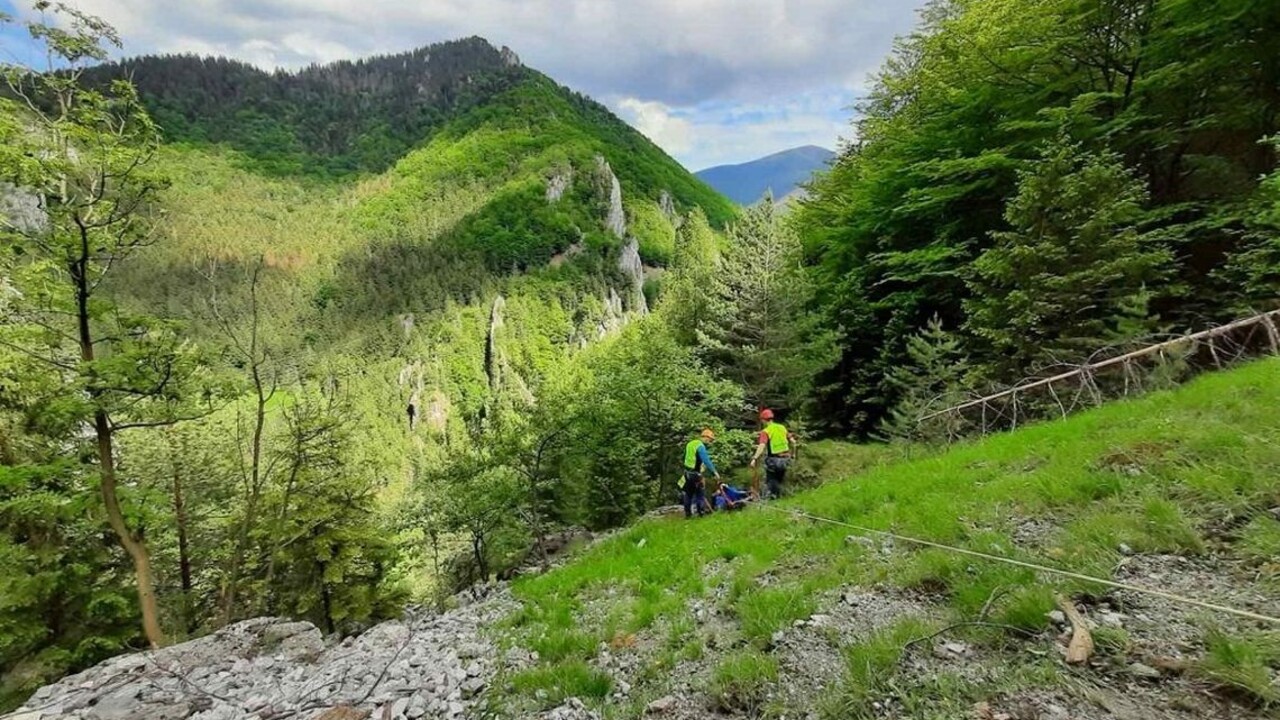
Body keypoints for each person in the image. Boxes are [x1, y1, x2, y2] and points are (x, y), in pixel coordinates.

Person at [749, 409, 795, 500]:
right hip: (786, 459)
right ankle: (781, 499)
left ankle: (771, 500)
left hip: (774, 460)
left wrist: (754, 458)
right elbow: (793, 442)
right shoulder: (782, 427)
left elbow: (762, 446)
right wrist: (793, 455)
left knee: (771, 482)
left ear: (763, 420)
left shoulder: (766, 431)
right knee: (780, 480)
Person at [680, 428, 720, 518]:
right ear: (705, 437)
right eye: (710, 439)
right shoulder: (700, 446)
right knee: (700, 494)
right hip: (695, 474)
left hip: (687, 473)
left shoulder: (690, 444)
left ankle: (688, 515)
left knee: (688, 494)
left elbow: (686, 457)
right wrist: (714, 472)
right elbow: (706, 460)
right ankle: (700, 514)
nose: (710, 441)